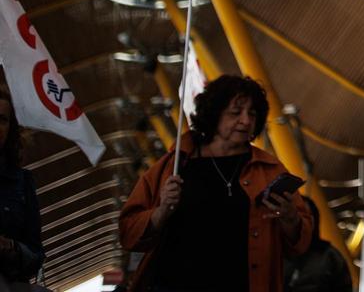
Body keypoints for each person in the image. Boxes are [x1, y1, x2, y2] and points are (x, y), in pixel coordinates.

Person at [119, 75, 313, 292]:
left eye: (252, 113)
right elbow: (128, 233)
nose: (246, 120)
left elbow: (301, 243)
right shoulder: (174, 164)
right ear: (214, 114)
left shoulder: (269, 169)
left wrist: (290, 218)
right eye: (235, 112)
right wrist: (161, 211)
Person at [0, 86, 43, 285]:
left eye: (2, 120)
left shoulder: (22, 182)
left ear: (10, 128)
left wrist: (9, 247)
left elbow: (36, 257)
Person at [284, 197, 353, 292]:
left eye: (307, 216)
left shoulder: (330, 256)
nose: (303, 222)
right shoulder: (276, 252)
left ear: (313, 220)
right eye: (297, 217)